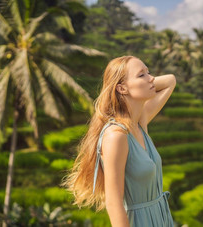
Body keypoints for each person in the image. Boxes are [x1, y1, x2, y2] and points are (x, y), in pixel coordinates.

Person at [62, 56, 176, 227]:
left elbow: (170, 80)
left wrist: (140, 81)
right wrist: (121, 87)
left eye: (149, 72)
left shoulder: (139, 122)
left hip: (161, 219)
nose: (151, 78)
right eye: (141, 75)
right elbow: (113, 202)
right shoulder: (116, 135)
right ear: (122, 88)